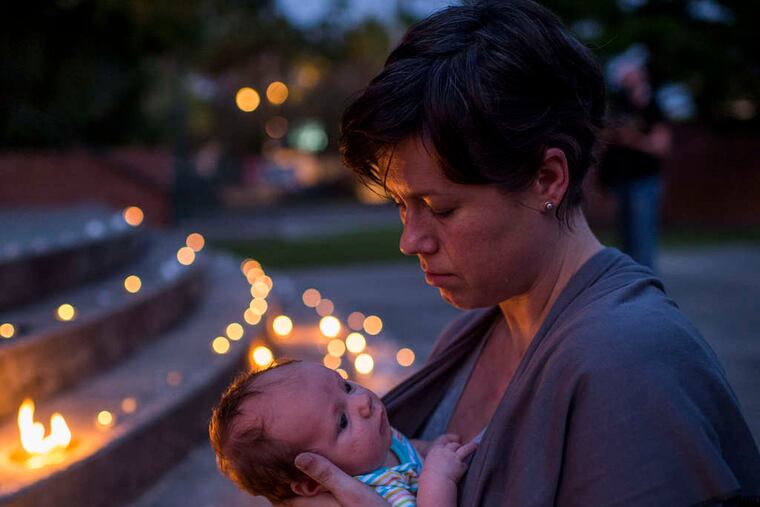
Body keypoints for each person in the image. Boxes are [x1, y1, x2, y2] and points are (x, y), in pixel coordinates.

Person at [281, 0, 760, 505]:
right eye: (403, 205)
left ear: (547, 178)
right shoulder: (475, 330)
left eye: (440, 208)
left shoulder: (630, 369)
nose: (410, 240)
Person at [209, 360, 477, 506]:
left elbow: (401, 451)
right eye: (342, 422)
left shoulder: (375, 442)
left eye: (346, 386)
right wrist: (438, 476)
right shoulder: (375, 494)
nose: (363, 402)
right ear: (314, 481)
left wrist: (427, 450)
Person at [598, 54, 672, 271]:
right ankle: (629, 285)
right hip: (621, 181)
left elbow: (662, 146)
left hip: (644, 182)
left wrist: (632, 139)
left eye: (628, 72)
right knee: (626, 242)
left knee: (642, 242)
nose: (623, 77)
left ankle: (646, 291)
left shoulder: (653, 106)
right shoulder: (621, 104)